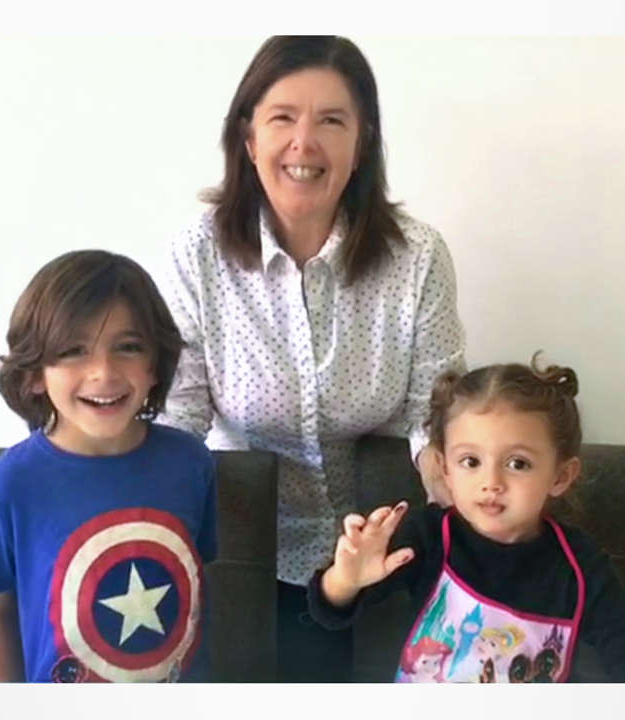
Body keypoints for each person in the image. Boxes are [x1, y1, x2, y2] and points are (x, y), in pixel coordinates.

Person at [157, 35, 465, 682]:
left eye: (331, 121)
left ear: (362, 145)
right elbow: (178, 418)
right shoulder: (197, 253)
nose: (305, 142)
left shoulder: (418, 257)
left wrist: (457, 497)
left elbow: (435, 415)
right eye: (282, 118)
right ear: (248, 139)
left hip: (378, 553)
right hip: (241, 549)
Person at [308, 356, 625, 682]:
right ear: (445, 469)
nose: (491, 483)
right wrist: (345, 580)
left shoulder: (581, 563)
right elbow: (329, 612)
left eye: (518, 464)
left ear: (560, 476)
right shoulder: (428, 535)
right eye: (471, 462)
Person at [0, 250, 217, 683]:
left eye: (128, 347)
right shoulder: (8, 487)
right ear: (35, 373)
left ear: (155, 364)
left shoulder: (191, 463)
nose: (103, 372)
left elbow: (197, 580)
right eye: (73, 351)